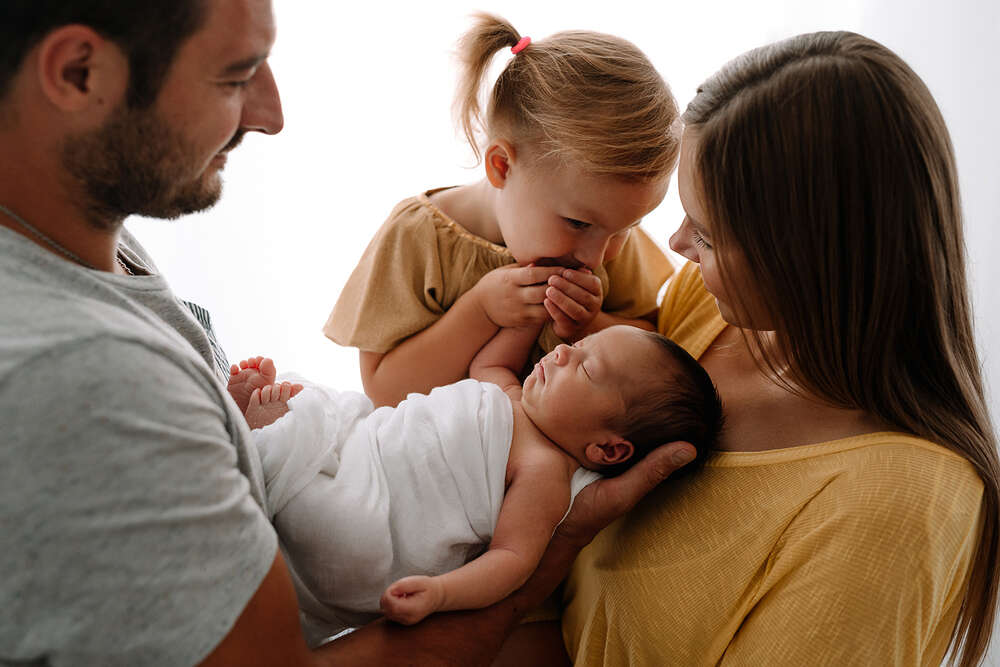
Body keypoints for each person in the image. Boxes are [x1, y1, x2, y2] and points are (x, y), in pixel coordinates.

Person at [0, 2, 697, 665]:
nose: (274, 115)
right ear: (77, 74)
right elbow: (396, 389)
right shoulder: (74, 369)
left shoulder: (81, 241)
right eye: (235, 75)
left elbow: (648, 345)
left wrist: (596, 327)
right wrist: (561, 531)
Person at [496, 31, 1000, 667]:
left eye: (705, 233)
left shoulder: (894, 505)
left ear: (806, 257)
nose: (676, 244)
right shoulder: (705, 313)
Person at [224, 325, 721, 639]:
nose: (563, 351)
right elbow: (490, 363)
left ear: (608, 450)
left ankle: (273, 438)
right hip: (364, 456)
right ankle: (280, 434)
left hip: (371, 530)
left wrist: (442, 594)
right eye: (578, 344)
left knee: (328, 500)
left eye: (587, 367)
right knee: (332, 411)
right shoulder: (515, 395)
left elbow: (512, 561)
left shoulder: (545, 471)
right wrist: (525, 313)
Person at [324, 13, 681, 409]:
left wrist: (590, 325)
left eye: (626, 229)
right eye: (577, 223)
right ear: (501, 166)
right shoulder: (416, 238)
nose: (598, 256)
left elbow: (660, 352)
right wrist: (480, 311)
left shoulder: (606, 229)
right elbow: (385, 391)